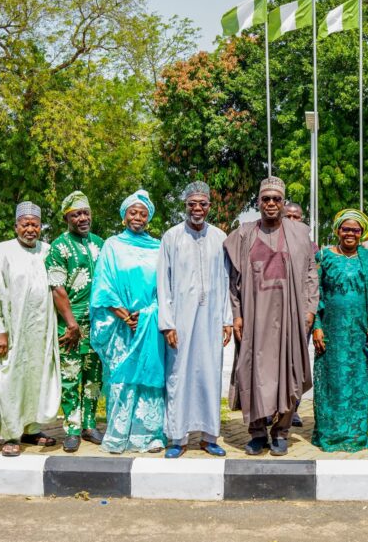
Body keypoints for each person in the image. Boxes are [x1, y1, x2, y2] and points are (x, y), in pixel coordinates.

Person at [224, 176, 318, 457]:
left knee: (288, 373)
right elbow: (233, 280)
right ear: (258, 202)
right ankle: (256, 433)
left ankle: (281, 432)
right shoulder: (243, 234)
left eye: (277, 199)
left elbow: (311, 274)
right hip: (254, 319)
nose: (271, 204)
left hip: (290, 317)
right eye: (266, 199)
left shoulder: (300, 232)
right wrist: (237, 314)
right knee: (251, 372)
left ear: (283, 201)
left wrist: (310, 309)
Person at [0, 202, 61, 457]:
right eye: (25, 224)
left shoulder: (48, 251)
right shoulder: (2, 252)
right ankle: (10, 433)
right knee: (9, 380)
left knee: (36, 379)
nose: (30, 229)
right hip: (12, 332)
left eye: (35, 225)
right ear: (16, 226)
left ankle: (31, 428)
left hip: (40, 332)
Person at [158, 182, 233, 458]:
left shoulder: (219, 237)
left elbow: (226, 280)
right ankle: (178, 438)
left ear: (209, 207)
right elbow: (162, 282)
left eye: (202, 204)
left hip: (212, 317)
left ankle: (209, 436)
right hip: (180, 320)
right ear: (186, 206)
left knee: (210, 374)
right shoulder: (171, 237)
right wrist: (167, 323)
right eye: (192, 204)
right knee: (178, 375)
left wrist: (226, 319)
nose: (197, 209)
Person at [90, 190, 166, 453]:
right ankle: (119, 435)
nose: (138, 217)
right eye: (133, 212)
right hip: (120, 326)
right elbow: (103, 287)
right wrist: (125, 316)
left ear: (149, 218)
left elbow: (165, 287)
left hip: (149, 323)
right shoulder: (112, 246)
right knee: (122, 379)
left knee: (148, 377)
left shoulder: (159, 247)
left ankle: (148, 436)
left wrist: (147, 313)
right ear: (124, 217)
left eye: (143, 214)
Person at [312, 209, 368, 452]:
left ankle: (355, 434)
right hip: (332, 329)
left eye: (355, 230)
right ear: (338, 230)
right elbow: (315, 292)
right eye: (346, 229)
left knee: (358, 380)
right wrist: (316, 327)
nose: (350, 233)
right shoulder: (324, 256)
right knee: (333, 380)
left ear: (362, 233)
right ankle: (330, 433)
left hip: (361, 330)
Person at [45, 190, 106, 452]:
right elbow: (57, 288)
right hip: (70, 324)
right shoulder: (59, 246)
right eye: (76, 214)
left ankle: (89, 424)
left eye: (85, 213)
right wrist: (71, 324)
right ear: (67, 218)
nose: (82, 218)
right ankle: (71, 428)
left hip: (98, 324)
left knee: (94, 376)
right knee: (71, 375)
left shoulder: (100, 244)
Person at [281, 199, 307, 428]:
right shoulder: (274, 242)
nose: (291, 220)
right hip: (276, 317)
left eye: (295, 217)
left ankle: (293, 409)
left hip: (301, 318)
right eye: (287, 216)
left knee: (295, 366)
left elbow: (313, 282)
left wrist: (309, 315)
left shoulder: (311, 246)